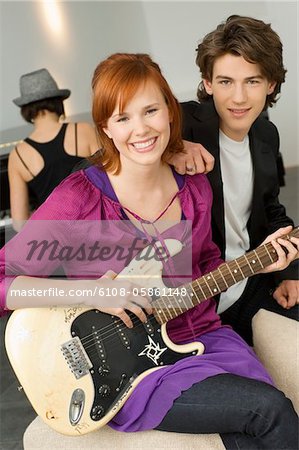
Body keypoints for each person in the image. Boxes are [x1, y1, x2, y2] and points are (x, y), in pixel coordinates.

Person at [1, 53, 298, 449]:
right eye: (123, 118)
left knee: (257, 421)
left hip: (203, 337)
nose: (140, 129)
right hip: (132, 366)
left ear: (170, 113)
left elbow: (207, 263)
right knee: (268, 411)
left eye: (151, 111)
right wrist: (93, 292)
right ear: (105, 126)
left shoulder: (194, 187)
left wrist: (258, 261)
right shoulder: (79, 199)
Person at [171, 15, 299, 344]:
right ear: (208, 82)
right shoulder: (179, 124)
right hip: (191, 302)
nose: (239, 98)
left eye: (252, 81)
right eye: (226, 81)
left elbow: (270, 209)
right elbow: (96, 166)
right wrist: (168, 149)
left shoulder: (266, 134)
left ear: (271, 84)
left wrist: (289, 271)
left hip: (250, 279)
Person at [9, 68, 99, 231]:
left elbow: (19, 224)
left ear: (26, 109)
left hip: (58, 242)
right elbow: (112, 182)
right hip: (96, 228)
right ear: (58, 101)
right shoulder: (83, 131)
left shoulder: (18, 156)